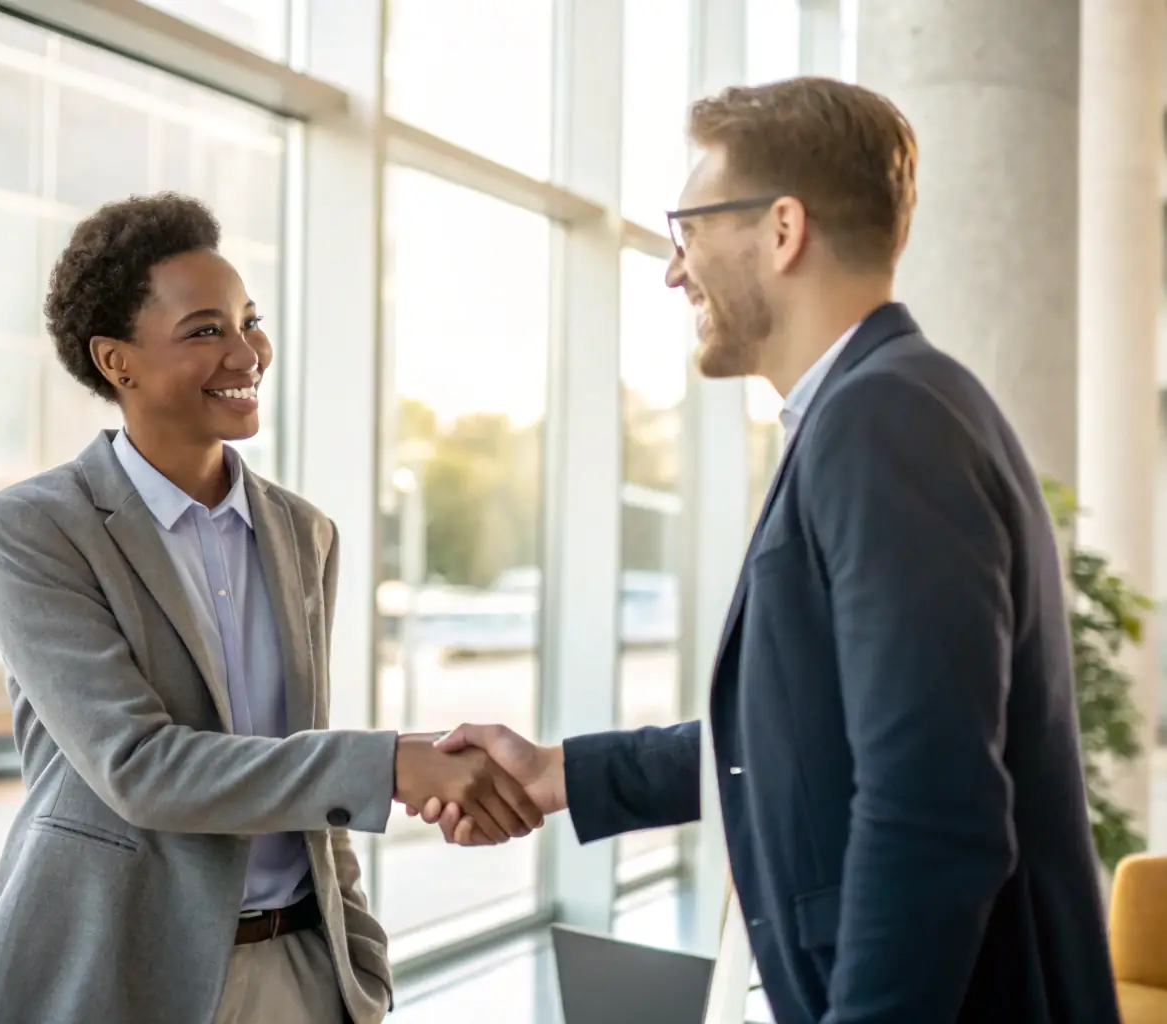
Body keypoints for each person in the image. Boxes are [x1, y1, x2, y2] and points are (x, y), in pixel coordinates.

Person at [412, 78, 1122, 1024]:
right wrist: (561, 773)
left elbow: (929, 806)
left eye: (688, 229)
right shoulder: (885, 404)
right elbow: (814, 732)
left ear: (782, 230)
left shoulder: (884, 421)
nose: (672, 271)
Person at [0, 193, 542, 1024]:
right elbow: (138, 767)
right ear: (118, 362)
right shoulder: (37, 528)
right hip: (119, 974)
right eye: (204, 330)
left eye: (248, 320)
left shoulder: (303, 532)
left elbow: (293, 751)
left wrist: (354, 953)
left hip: (301, 965)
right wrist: (391, 765)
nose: (246, 351)